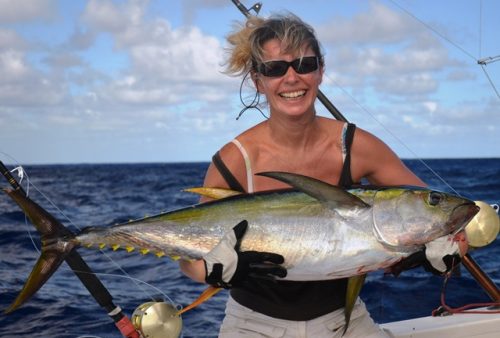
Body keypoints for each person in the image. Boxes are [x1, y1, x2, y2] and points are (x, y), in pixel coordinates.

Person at [180, 13, 466, 337]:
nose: (292, 78)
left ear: (320, 71)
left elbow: (439, 217)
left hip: (343, 322)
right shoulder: (235, 160)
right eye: (275, 68)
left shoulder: (359, 147)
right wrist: (212, 271)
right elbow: (190, 261)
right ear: (258, 81)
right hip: (252, 325)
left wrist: (448, 248)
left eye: (304, 64)